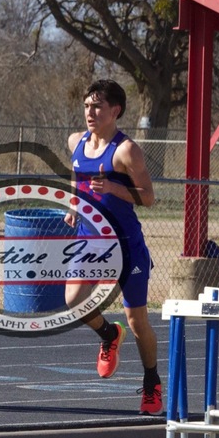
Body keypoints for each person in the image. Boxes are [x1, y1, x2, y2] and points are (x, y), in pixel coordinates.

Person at [62, 79, 162, 416]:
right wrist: (74, 205)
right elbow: (77, 178)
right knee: (73, 299)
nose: (90, 112)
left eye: (97, 106)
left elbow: (148, 198)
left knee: (138, 322)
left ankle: (152, 383)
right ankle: (108, 333)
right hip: (89, 241)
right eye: (87, 106)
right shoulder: (76, 142)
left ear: (115, 111)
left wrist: (115, 190)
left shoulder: (126, 150)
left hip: (125, 245)